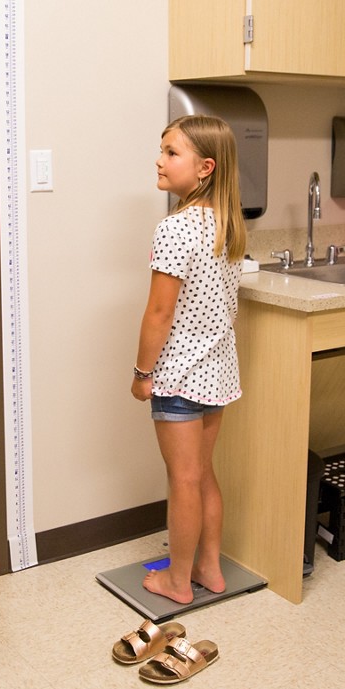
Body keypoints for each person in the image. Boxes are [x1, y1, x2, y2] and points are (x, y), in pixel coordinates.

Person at [131, 114, 246, 605]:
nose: (160, 160)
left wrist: (142, 373)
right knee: (203, 475)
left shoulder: (176, 228)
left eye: (172, 153)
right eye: (161, 150)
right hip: (217, 373)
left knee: (182, 481)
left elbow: (159, 313)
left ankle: (177, 582)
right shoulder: (228, 226)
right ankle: (209, 568)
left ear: (205, 167)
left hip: (179, 375)